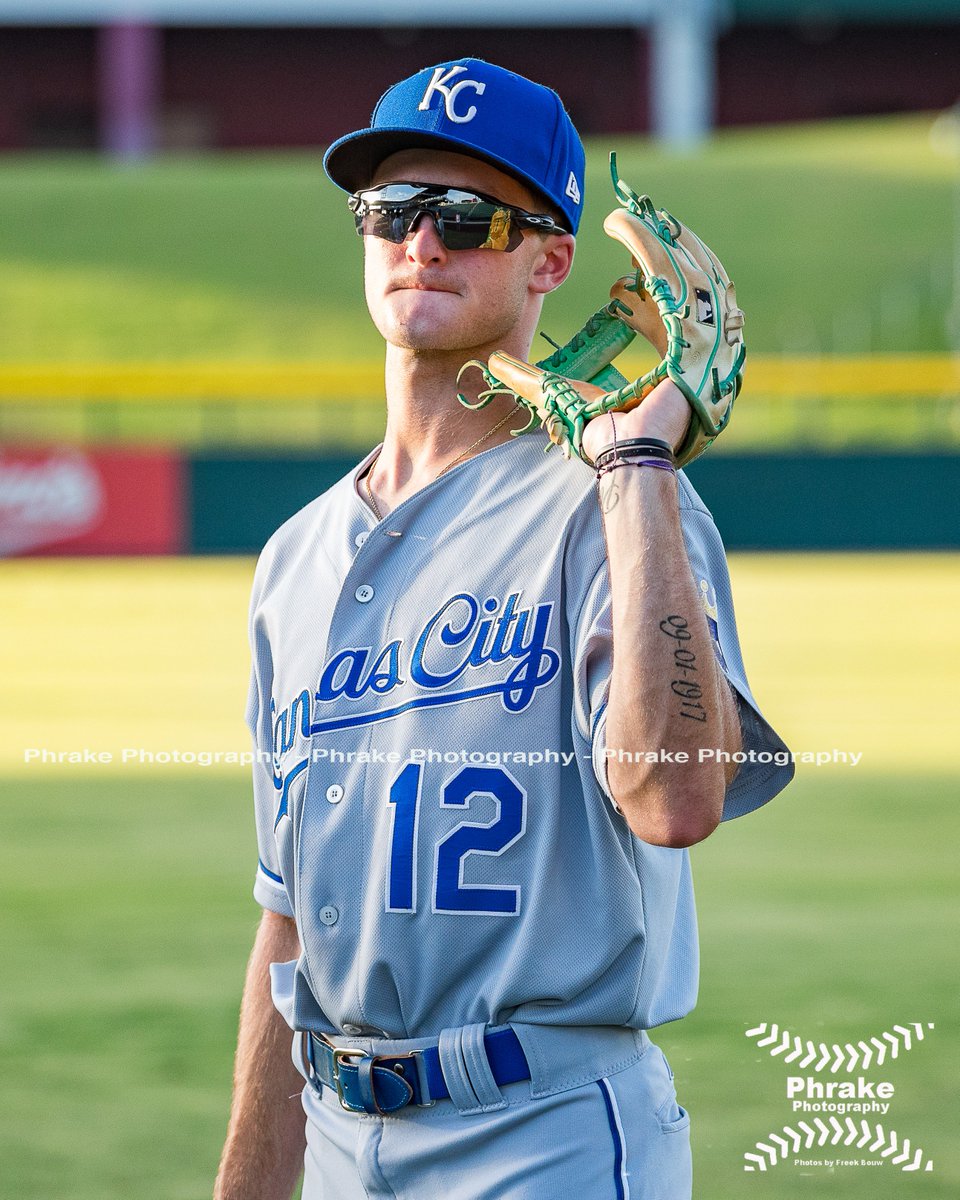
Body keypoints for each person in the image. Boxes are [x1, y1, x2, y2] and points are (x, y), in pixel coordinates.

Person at [214, 58, 793, 1200]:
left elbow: (677, 801)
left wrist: (636, 466)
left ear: (552, 259)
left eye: (469, 219)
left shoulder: (616, 508)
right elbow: (286, 932)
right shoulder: (294, 558)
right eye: (392, 212)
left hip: (546, 1139)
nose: (422, 243)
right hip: (335, 1137)